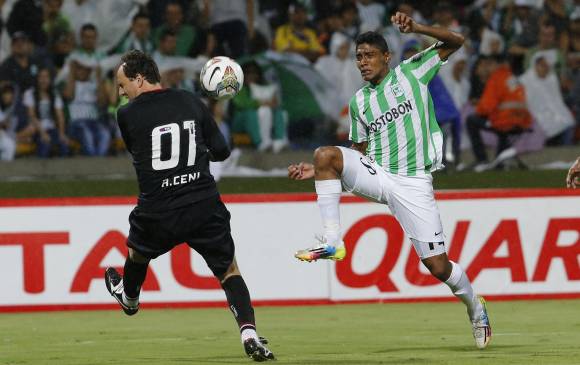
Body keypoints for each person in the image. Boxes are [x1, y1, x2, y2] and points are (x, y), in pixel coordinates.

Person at [287, 13, 492, 350]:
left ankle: (474, 305)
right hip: (379, 175)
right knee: (324, 153)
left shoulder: (412, 72)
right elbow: (357, 151)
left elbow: (457, 41)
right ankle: (333, 241)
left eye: (369, 55)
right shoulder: (359, 103)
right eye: (358, 57)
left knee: (437, 266)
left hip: (413, 183)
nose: (362, 63)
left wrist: (418, 29)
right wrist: (320, 169)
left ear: (387, 56)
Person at [105, 50, 274, 362]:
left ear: (139, 80)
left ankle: (129, 299)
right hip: (202, 203)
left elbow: (141, 152)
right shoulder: (190, 101)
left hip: (158, 209)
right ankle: (249, 334)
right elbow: (222, 151)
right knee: (229, 271)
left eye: (122, 84)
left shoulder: (125, 115)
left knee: (137, 254)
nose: (120, 92)